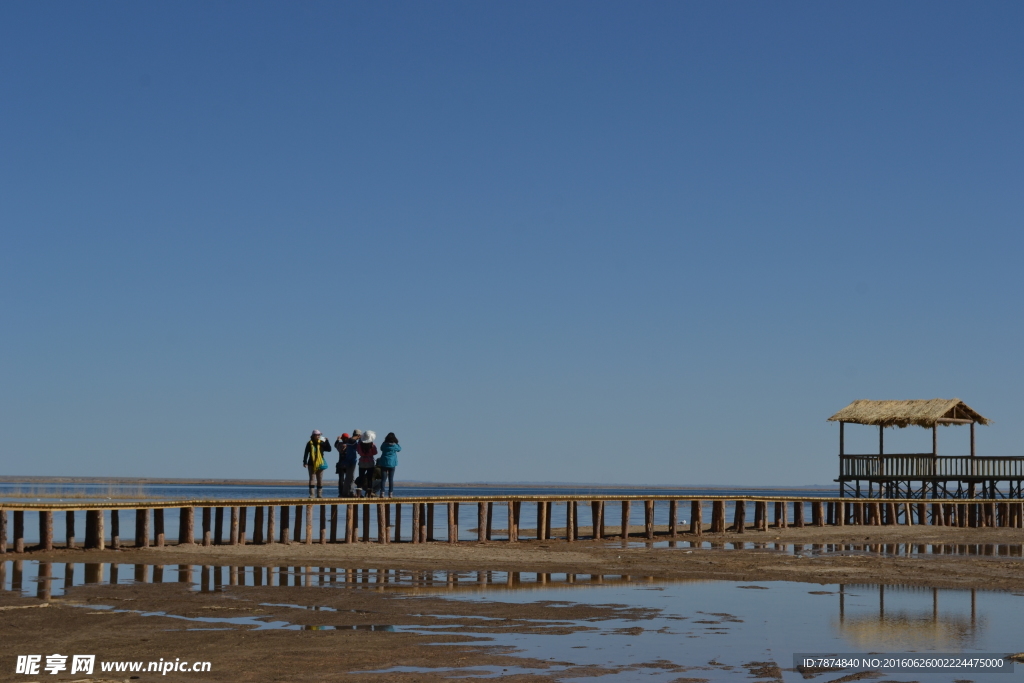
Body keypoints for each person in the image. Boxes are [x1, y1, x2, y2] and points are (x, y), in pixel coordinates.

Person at [302, 430, 331, 499]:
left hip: (320, 463)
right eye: (317, 435)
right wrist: (305, 462)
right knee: (312, 479)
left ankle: (319, 494)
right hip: (311, 463)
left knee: (320, 479)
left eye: (319, 435)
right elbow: (306, 453)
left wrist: (327, 441)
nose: (318, 436)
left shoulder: (321, 443)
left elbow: (329, 449)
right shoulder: (309, 443)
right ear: (313, 436)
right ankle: (312, 494)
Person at [334, 432, 359, 497]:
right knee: (350, 478)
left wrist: (338, 440)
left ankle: (341, 493)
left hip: (341, 463)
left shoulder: (339, 444)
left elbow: (335, 444)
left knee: (341, 479)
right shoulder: (349, 445)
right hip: (348, 463)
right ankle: (349, 491)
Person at [377, 432, 401, 498]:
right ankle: (390, 493)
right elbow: (399, 449)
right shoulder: (395, 445)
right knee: (391, 479)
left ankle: (382, 493)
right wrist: (396, 443)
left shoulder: (384, 444)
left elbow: (381, 448)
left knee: (383, 479)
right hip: (392, 463)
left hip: (384, 463)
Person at [357, 430, 378, 497]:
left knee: (361, 477)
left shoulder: (359, 445)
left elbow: (358, 452)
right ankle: (369, 494)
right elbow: (375, 452)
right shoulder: (372, 445)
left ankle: (358, 494)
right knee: (369, 479)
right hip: (370, 462)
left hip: (362, 461)